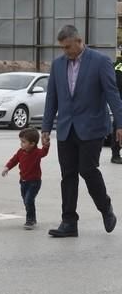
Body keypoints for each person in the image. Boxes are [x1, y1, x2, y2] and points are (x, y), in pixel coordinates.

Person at [41, 24, 122, 237]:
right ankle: (69, 222)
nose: (65, 51)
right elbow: (52, 98)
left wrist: (120, 124)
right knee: (68, 175)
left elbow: (112, 94)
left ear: (79, 41)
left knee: (87, 169)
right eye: (62, 48)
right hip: (66, 128)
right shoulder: (58, 65)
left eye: (68, 47)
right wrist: (46, 127)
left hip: (92, 127)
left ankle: (105, 208)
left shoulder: (101, 61)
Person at [1, 127, 49, 230]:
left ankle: (30, 220)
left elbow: (44, 152)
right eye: (21, 141)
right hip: (23, 182)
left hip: (34, 182)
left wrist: (46, 144)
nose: (21, 144)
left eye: (23, 142)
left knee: (29, 200)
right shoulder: (20, 152)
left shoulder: (37, 152)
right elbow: (14, 160)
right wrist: (7, 167)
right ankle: (32, 217)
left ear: (32, 144)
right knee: (26, 201)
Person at [110, 51, 122, 163]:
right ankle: (116, 154)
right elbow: (117, 86)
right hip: (120, 103)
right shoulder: (119, 66)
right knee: (119, 127)